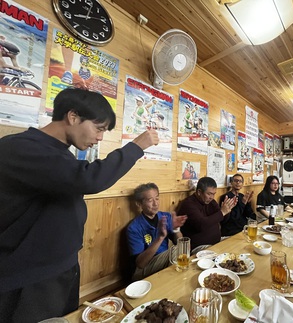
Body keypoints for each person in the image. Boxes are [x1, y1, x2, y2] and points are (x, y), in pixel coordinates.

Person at [0, 88, 159, 322]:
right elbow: (88, 178)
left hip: (62, 267)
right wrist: (136, 146)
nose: (100, 137)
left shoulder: (61, 154)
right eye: (99, 128)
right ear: (73, 117)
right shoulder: (21, 147)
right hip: (29, 277)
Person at [126, 183, 187, 280]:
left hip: (164, 261)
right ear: (139, 204)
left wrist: (176, 229)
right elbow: (140, 264)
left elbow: (180, 243)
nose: (155, 203)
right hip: (143, 269)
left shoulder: (165, 216)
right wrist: (160, 237)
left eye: (157, 198)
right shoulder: (134, 228)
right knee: (175, 252)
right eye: (150, 200)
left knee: (182, 249)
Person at [177, 177, 237, 252]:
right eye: (209, 194)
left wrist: (227, 210)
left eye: (214, 194)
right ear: (199, 192)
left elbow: (223, 220)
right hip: (199, 247)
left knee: (237, 243)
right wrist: (222, 212)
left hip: (217, 241)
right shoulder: (188, 204)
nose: (211, 197)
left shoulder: (211, 202)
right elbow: (201, 225)